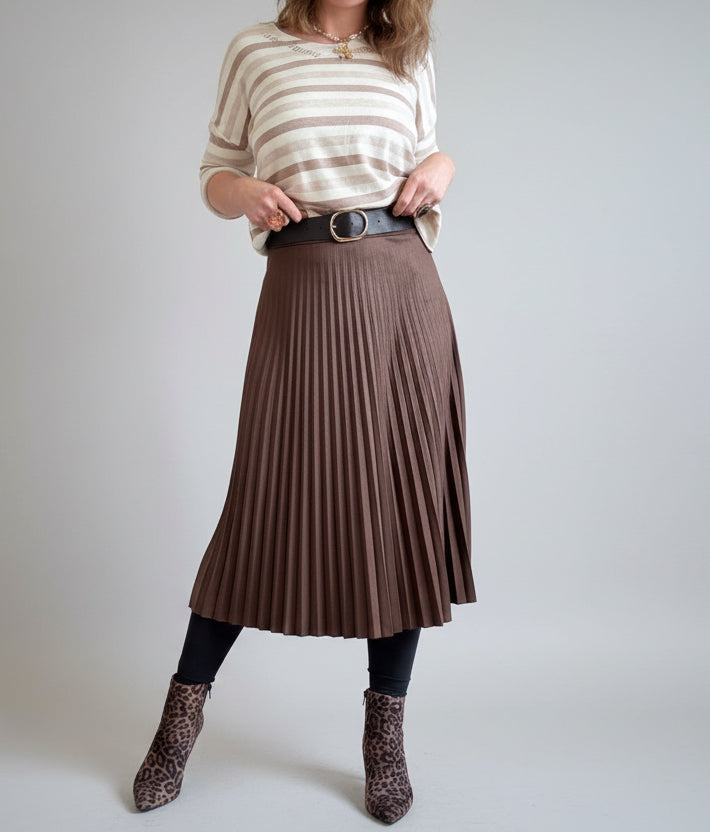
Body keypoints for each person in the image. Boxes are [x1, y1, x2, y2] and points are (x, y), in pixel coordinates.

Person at [132, 0, 476, 824]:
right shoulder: (256, 50)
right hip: (303, 289)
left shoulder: (407, 51)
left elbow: (426, 155)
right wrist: (244, 190)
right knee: (263, 501)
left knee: (400, 504)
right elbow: (216, 172)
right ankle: (178, 724)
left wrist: (444, 165)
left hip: (403, 288)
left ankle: (384, 737)